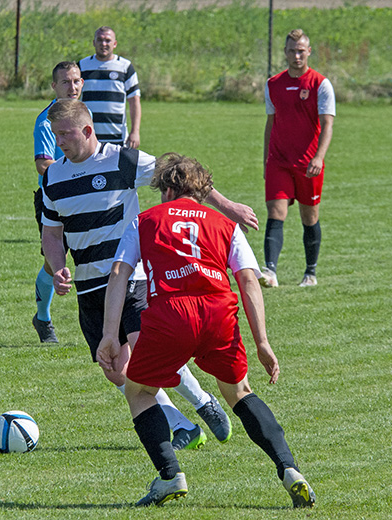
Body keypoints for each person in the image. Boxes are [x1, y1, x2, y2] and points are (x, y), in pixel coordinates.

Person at [97, 153, 315, 508]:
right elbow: (248, 279)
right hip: (218, 313)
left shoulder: (144, 221)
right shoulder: (225, 225)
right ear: (199, 191)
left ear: (168, 188)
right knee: (239, 392)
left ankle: (170, 476)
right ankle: (290, 469)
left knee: (138, 391)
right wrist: (262, 341)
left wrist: (109, 334)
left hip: (171, 314)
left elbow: (120, 274)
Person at [41, 100, 260, 450]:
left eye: (65, 133)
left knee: (145, 355)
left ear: (87, 130)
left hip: (132, 277)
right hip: (88, 284)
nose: (60, 141)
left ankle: (203, 402)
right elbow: (51, 233)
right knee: (115, 370)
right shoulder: (53, 176)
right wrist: (58, 268)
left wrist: (226, 205)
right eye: (56, 134)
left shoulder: (122, 160)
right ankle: (183, 424)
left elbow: (180, 173)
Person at [261, 29, 335, 288]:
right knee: (275, 212)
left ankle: (310, 272)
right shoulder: (273, 84)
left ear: (309, 52)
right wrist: (265, 159)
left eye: (301, 50)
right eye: (292, 50)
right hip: (279, 161)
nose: (296, 55)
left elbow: (327, 125)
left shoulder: (320, 84)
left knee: (309, 217)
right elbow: (270, 124)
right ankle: (270, 271)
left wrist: (319, 157)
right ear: (285, 52)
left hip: (308, 164)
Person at [31, 61, 85, 343]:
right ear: (54, 86)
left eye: (76, 81)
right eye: (65, 82)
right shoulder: (46, 120)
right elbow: (43, 164)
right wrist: (75, 173)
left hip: (87, 195)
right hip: (55, 201)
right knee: (55, 265)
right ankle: (42, 318)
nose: (72, 87)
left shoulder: (86, 115)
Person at [79, 26, 141, 148]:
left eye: (108, 40)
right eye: (100, 40)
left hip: (117, 136)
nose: (103, 44)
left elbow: (134, 101)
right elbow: (72, 97)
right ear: (94, 42)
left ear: (115, 44)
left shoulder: (125, 67)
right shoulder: (82, 66)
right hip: (88, 134)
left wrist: (135, 131)